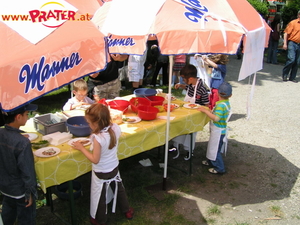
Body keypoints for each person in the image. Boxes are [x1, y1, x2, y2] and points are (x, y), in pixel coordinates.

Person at [71, 103, 133, 225]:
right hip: (114, 167)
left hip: (101, 171)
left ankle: (100, 220)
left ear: (97, 123)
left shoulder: (98, 138)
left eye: (89, 123)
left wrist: (81, 148)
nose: (89, 125)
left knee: (100, 196)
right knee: (119, 189)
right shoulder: (115, 128)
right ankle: (127, 211)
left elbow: (95, 159)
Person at [0, 103, 38, 225]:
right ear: (18, 117)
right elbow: (28, 172)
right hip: (21, 192)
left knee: (7, 214)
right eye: (26, 114)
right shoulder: (23, 143)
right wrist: (30, 192)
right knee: (26, 219)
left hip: (5, 187)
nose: (27, 117)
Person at [170, 64, 210, 159]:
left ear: (191, 79)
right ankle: (175, 147)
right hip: (185, 112)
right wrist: (181, 86)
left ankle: (189, 150)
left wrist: (201, 109)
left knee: (190, 134)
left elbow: (206, 105)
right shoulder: (191, 85)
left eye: (184, 79)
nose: (183, 80)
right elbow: (188, 88)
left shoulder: (201, 89)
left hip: (195, 116)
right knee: (178, 128)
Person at [198, 82, 232, 174]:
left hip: (218, 132)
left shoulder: (221, 105)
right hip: (219, 131)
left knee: (215, 150)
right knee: (212, 147)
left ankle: (220, 168)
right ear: (230, 95)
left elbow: (216, 118)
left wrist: (205, 111)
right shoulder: (226, 103)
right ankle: (210, 161)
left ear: (217, 93)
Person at [282, 10, 300, 83]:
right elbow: (286, 33)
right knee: (291, 59)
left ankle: (292, 77)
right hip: (292, 43)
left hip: (299, 44)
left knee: (297, 62)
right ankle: (285, 74)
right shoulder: (293, 23)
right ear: (299, 15)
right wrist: (285, 43)